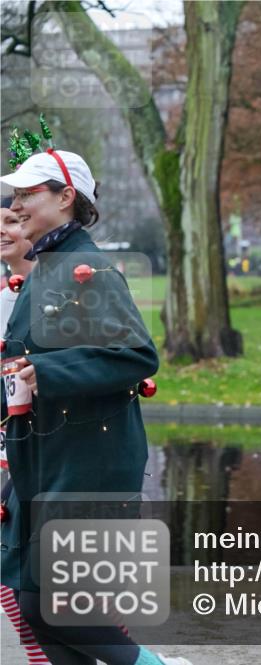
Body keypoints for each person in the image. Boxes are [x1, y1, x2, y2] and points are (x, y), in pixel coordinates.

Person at [0, 147, 187, 665]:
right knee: (39, 604)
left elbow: (136, 354)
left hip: (88, 461)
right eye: (14, 193)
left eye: (28, 193)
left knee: (57, 606)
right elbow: (23, 366)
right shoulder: (44, 268)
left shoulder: (87, 268)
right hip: (44, 458)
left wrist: (49, 374)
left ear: (66, 198)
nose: (16, 204)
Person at [0, 201, 52, 665]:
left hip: (46, 445)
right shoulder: (4, 291)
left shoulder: (60, 284)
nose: (3, 232)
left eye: (12, 221)